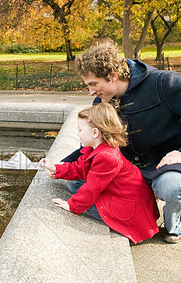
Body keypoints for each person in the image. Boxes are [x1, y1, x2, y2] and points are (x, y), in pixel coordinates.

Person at [64, 39, 181, 243]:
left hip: (166, 164)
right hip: (128, 170)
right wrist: (63, 165)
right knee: (74, 182)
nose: (91, 92)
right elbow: (97, 142)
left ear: (113, 76)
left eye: (93, 84)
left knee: (172, 187)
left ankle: (174, 222)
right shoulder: (102, 101)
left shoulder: (163, 83)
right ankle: (138, 210)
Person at [40, 102, 160, 244]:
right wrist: (56, 168)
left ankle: (118, 222)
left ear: (95, 132)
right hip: (122, 195)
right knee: (74, 184)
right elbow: (80, 167)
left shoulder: (106, 157)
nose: (78, 134)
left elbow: (91, 189)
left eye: (80, 130)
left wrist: (71, 206)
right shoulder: (99, 147)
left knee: (90, 207)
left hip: (127, 208)